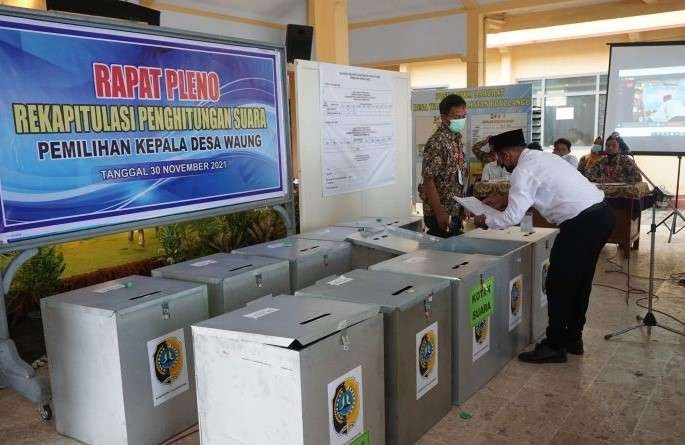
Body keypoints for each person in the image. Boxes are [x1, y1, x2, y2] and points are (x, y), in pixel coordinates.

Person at [473, 129, 615, 364]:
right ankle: (573, 339)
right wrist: (505, 198)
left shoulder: (522, 170)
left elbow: (511, 218)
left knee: (558, 283)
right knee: (580, 281)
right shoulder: (540, 157)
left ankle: (555, 345)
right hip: (601, 215)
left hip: (581, 223)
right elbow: (534, 188)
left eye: (498, 157)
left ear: (507, 155)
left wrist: (484, 219)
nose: (498, 162)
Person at [419, 94, 468, 237]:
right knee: (440, 256)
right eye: (457, 117)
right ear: (444, 117)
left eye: (463, 116)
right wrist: (439, 211)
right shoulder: (437, 142)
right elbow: (428, 180)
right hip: (439, 214)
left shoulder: (456, 139)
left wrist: (463, 206)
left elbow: (457, 177)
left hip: (454, 210)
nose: (461, 120)